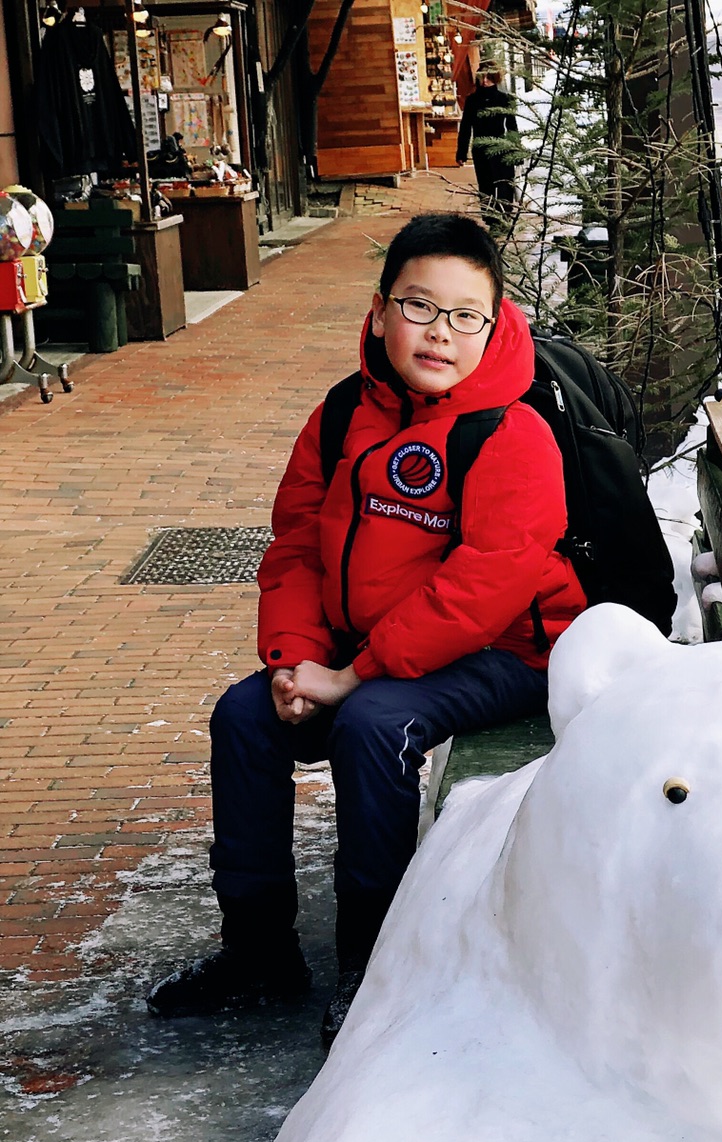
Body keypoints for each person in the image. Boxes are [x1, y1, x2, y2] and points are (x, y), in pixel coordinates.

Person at [147, 212, 585, 1045]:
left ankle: (376, 968)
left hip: (507, 650)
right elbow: (298, 546)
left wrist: (355, 677)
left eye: (466, 315)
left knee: (376, 726)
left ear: (495, 327)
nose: (440, 332)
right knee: (244, 716)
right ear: (381, 310)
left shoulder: (510, 430)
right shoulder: (345, 412)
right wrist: (295, 660)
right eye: (420, 306)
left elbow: (488, 582)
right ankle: (258, 951)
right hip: (370, 647)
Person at [456, 65, 518, 216]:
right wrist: (461, 153)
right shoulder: (472, 101)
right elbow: (465, 127)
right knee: (485, 185)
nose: (485, 81)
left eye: (489, 78)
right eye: (482, 77)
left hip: (501, 147)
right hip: (480, 148)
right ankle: (490, 216)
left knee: (504, 184)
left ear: (495, 78)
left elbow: (512, 127)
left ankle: (504, 215)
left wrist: (516, 152)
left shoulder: (505, 99)